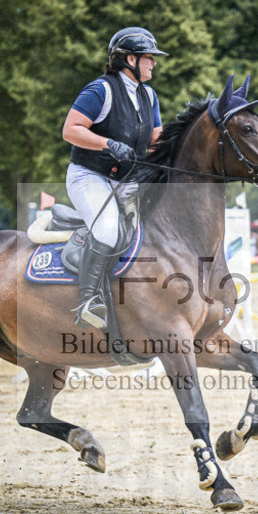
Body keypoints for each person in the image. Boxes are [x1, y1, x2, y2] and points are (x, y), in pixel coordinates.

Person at [62, 27, 167, 328]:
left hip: (126, 180)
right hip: (89, 175)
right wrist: (107, 143)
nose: (154, 64)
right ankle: (88, 301)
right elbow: (70, 129)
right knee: (108, 231)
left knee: (153, 229)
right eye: (149, 58)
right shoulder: (101, 90)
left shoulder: (148, 95)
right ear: (130, 59)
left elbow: (155, 140)